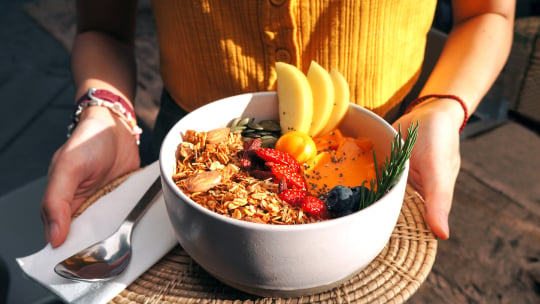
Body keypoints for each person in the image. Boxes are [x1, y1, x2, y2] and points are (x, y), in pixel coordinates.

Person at [41, 0, 515, 247]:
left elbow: (487, 13)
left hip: (376, 162)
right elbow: (102, 28)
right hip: (194, 156)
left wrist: (441, 110)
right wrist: (106, 112)